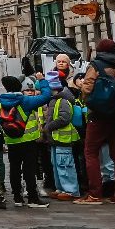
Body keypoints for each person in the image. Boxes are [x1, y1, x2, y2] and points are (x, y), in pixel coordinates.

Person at [77, 38, 115, 205]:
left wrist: (86, 97)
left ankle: (94, 193)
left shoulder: (95, 66)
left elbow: (87, 88)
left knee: (90, 152)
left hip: (98, 115)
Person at [0, 75, 50, 208]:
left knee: (14, 169)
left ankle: (17, 197)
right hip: (28, 140)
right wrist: (42, 81)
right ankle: (32, 198)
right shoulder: (25, 101)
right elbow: (46, 96)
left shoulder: (1, 102)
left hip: (11, 141)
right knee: (29, 169)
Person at [43, 72, 82, 200]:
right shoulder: (55, 99)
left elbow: (64, 118)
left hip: (63, 138)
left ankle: (71, 190)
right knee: (57, 165)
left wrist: (48, 126)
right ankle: (61, 188)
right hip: (55, 138)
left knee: (65, 164)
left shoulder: (63, 100)